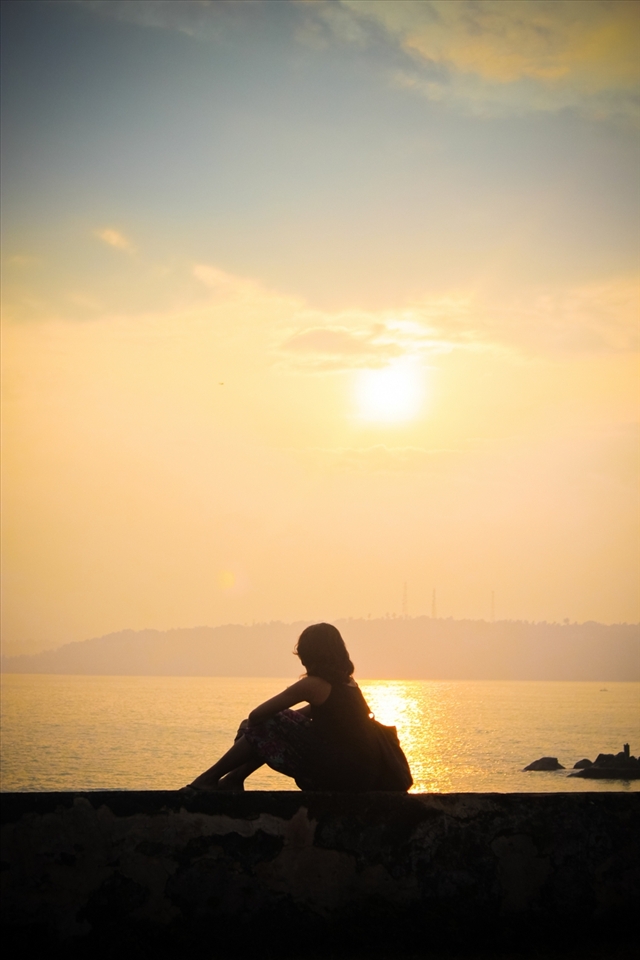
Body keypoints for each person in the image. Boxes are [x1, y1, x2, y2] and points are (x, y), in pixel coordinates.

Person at [184, 622, 384, 792]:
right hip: (358, 774)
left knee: (263, 722)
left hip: (337, 776)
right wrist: (276, 728)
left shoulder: (313, 685)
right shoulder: (348, 684)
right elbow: (300, 716)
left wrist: (263, 729)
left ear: (311, 655)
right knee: (266, 724)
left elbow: (257, 715)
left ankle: (210, 779)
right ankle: (232, 779)